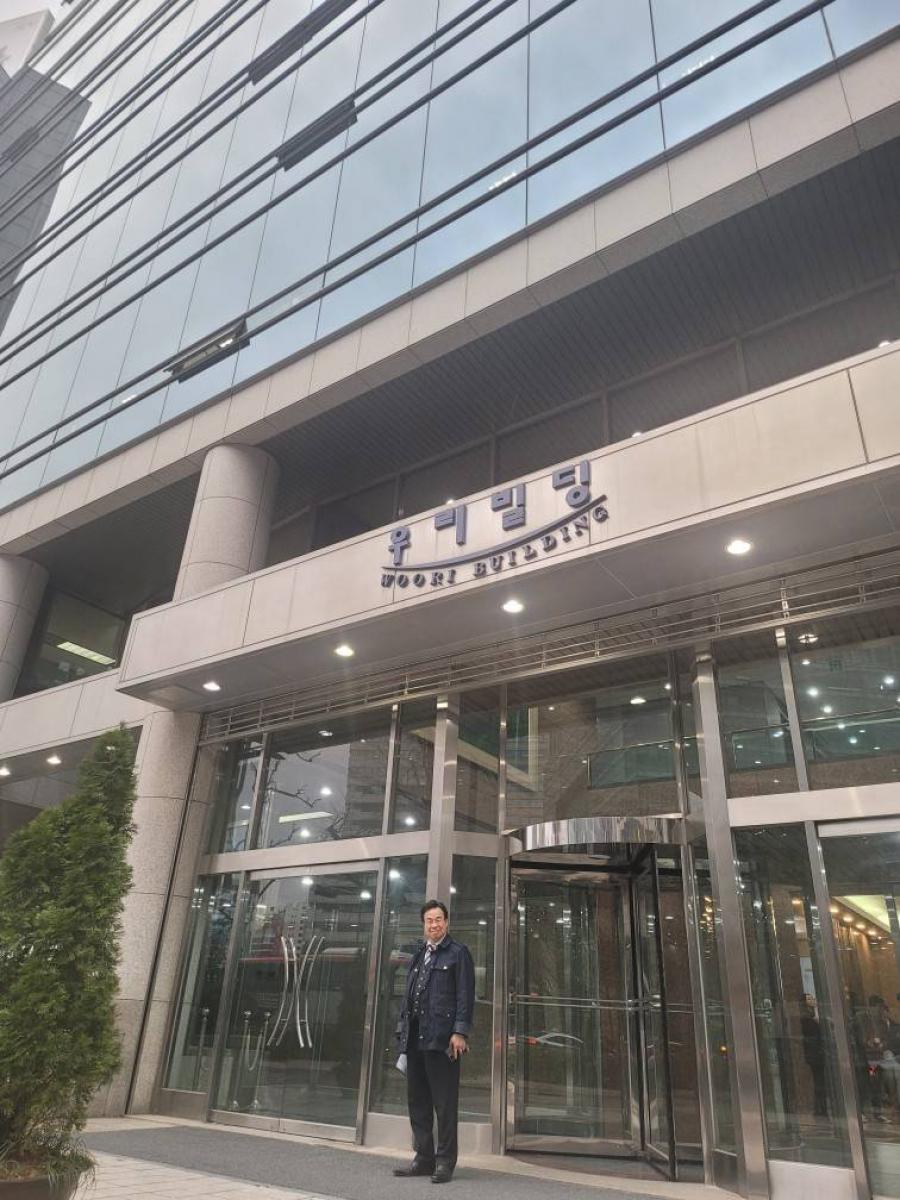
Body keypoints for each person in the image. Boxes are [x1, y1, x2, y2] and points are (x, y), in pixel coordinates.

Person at [393, 899, 475, 1185]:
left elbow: (465, 996)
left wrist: (460, 1032)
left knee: (445, 1104)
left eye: (438, 919)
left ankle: (445, 1162)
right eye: (429, 920)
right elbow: (408, 997)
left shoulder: (458, 953)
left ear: (446, 922)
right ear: (423, 924)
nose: (434, 924)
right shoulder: (419, 954)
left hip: (442, 1040)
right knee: (418, 1101)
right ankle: (423, 1158)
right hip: (415, 1039)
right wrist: (402, 1031)